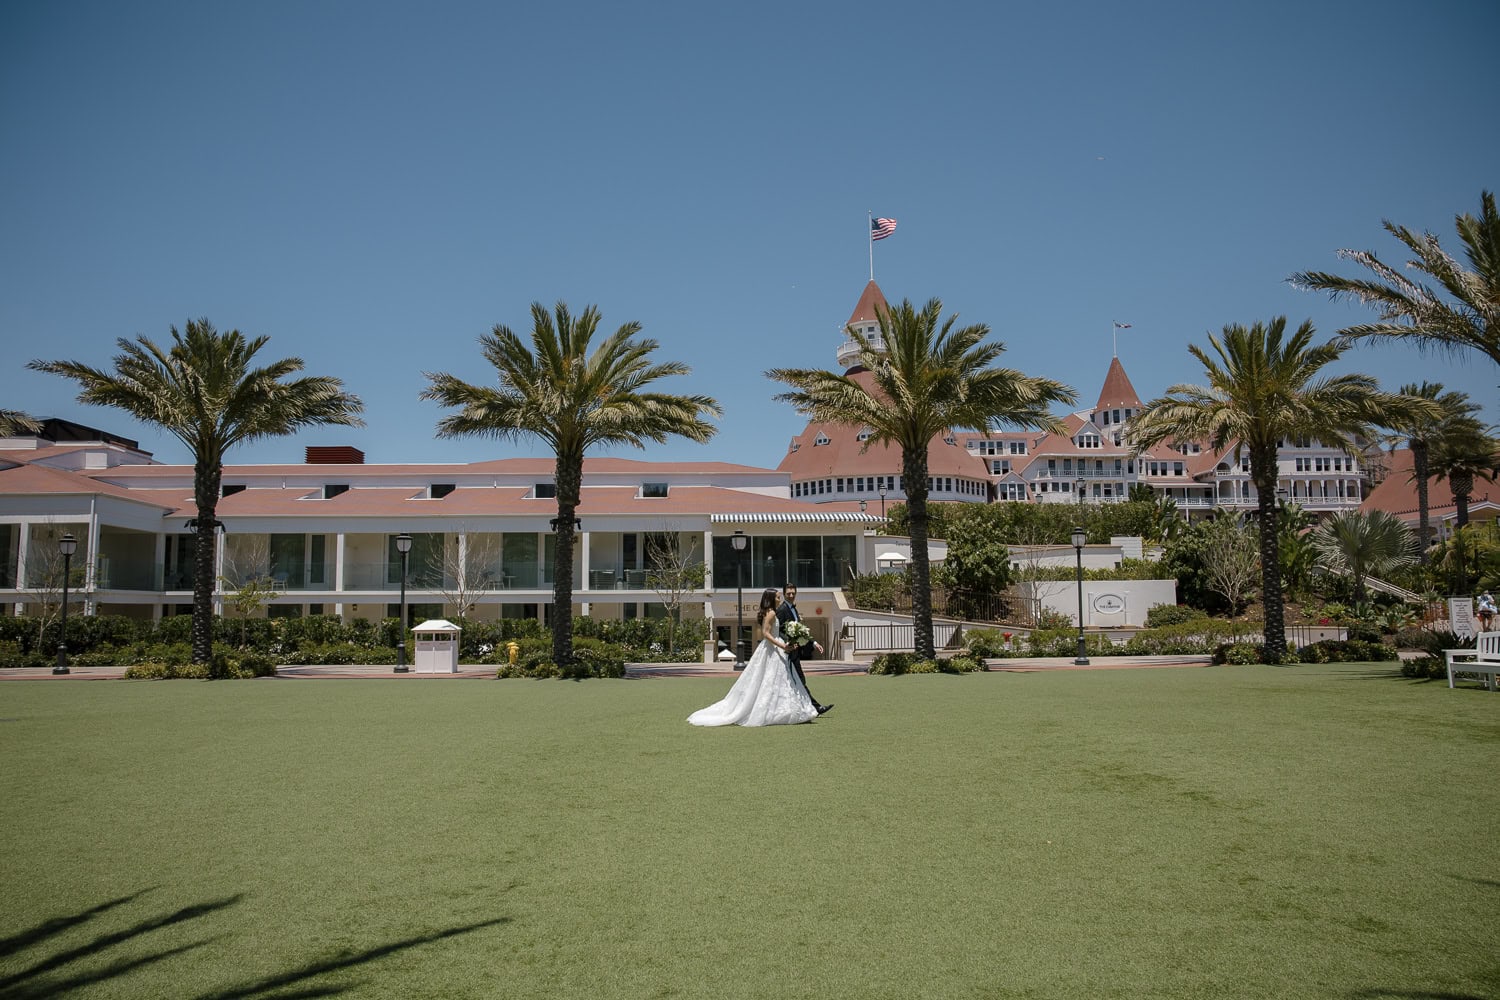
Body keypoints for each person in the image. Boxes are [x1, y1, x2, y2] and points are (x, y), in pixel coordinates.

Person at [688, 589, 819, 727]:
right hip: (772, 649)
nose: (780, 599)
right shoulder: (771, 612)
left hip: (774, 649)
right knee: (771, 678)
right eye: (778, 597)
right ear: (771, 598)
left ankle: (779, 709)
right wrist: (782, 645)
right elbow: (766, 634)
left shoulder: (769, 612)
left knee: (776, 679)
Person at [777, 583, 832, 715]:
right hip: (788, 652)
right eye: (788, 593)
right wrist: (788, 642)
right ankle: (815, 707)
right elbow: (777, 630)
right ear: (784, 594)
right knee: (797, 681)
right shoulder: (782, 609)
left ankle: (811, 707)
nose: (791, 595)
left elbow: (800, 631)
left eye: (793, 593)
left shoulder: (794, 609)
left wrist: (814, 643)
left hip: (795, 652)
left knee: (799, 680)